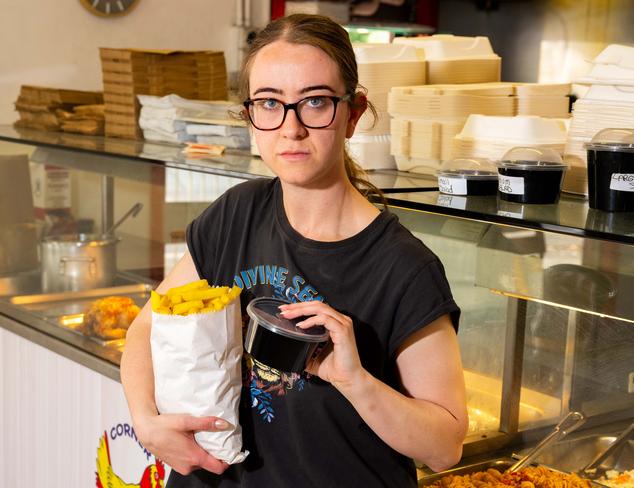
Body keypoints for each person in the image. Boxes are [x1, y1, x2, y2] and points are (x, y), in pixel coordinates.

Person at [121, 13, 468, 488]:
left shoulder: (404, 267)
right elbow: (147, 328)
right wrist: (146, 419)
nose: (291, 128)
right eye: (269, 103)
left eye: (315, 102)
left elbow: (445, 445)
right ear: (250, 115)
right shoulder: (237, 213)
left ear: (353, 113)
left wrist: (355, 381)